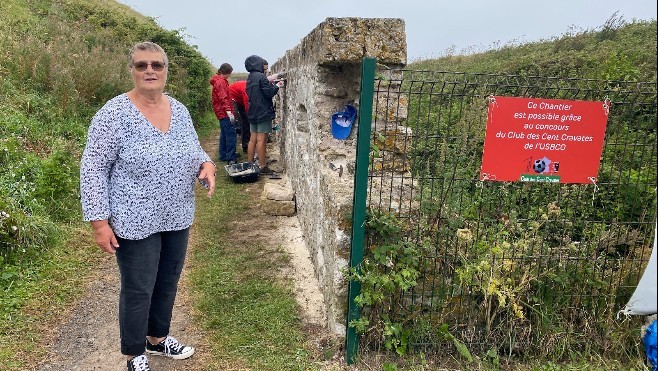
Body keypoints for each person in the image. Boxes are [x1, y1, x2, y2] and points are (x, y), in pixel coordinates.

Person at [80, 41, 216, 371]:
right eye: (142, 65)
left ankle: (157, 340)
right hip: (134, 219)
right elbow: (93, 166)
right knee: (139, 288)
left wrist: (206, 163)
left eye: (157, 64)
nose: (150, 70)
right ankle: (134, 354)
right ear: (133, 70)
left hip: (177, 213)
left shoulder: (179, 110)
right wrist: (99, 222)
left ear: (166, 70)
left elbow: (194, 148)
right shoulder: (113, 114)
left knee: (168, 280)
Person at [244, 55, 283, 173]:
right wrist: (278, 85)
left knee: (252, 139)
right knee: (262, 140)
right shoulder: (261, 76)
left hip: (252, 111)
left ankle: (250, 163)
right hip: (262, 111)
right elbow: (268, 93)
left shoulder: (250, 77)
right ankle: (262, 166)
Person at [210, 63, 237, 164]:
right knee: (231, 135)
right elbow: (223, 97)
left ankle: (223, 154)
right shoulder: (221, 82)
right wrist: (229, 111)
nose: (229, 76)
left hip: (221, 112)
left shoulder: (218, 81)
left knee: (224, 134)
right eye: (229, 74)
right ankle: (231, 158)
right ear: (226, 73)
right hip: (224, 112)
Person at [229, 79, 250, 153]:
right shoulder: (246, 90)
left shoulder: (250, 87)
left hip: (239, 97)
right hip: (232, 96)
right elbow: (247, 105)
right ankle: (244, 145)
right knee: (238, 119)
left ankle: (246, 144)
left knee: (246, 121)